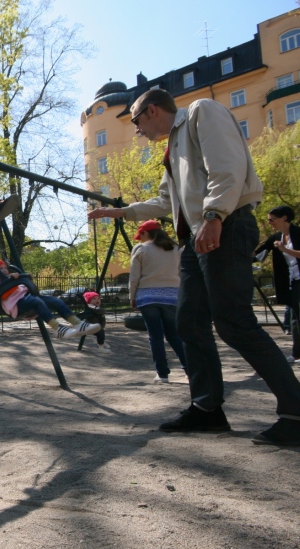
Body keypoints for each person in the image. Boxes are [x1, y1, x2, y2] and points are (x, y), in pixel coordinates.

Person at [88, 88, 300, 446]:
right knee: (189, 322)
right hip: (196, 237)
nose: (137, 131)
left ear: (152, 110)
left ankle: (295, 411)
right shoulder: (173, 149)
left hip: (225, 225)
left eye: (136, 122)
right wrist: (122, 212)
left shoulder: (202, 113)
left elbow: (227, 165)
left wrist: (215, 214)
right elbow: (165, 201)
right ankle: (207, 409)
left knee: (233, 322)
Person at [0, 258, 101, 339]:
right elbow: (2, 294)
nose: (4, 271)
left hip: (30, 300)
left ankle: (78, 324)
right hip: (17, 307)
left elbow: (27, 288)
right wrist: (13, 280)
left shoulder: (14, 282)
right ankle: (58, 329)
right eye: (0, 269)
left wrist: (23, 279)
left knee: (56, 301)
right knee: (36, 301)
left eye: (5, 268)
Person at [128, 219, 187, 383]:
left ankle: (162, 374)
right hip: (171, 295)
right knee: (174, 335)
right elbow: (181, 273)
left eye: (141, 235)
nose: (140, 239)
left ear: (146, 233)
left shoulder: (141, 249)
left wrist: (132, 297)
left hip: (147, 296)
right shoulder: (175, 248)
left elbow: (134, 277)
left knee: (155, 336)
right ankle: (189, 369)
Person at [254, 205, 300, 361]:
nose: (270, 223)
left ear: (284, 218)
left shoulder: (298, 233)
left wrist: (284, 249)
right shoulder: (275, 238)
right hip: (292, 281)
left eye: (272, 220)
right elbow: (260, 252)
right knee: (294, 317)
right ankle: (297, 353)